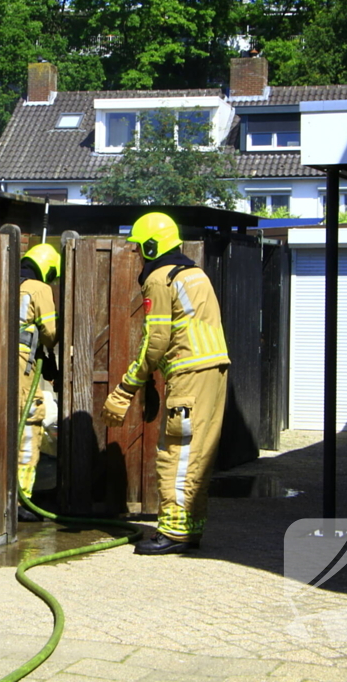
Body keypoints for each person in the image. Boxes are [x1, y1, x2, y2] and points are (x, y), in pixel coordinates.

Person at [100, 213, 230, 554]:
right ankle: (189, 528)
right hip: (213, 372)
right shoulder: (194, 273)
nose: (138, 255)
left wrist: (128, 387)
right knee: (197, 455)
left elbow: (155, 340)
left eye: (139, 248)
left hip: (188, 375)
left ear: (151, 245)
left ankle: (172, 533)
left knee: (176, 452)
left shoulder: (160, 278)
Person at [17, 243, 61, 522]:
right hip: (20, 364)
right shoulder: (39, 288)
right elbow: (51, 332)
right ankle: (21, 498)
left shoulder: (1, 280)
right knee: (29, 423)